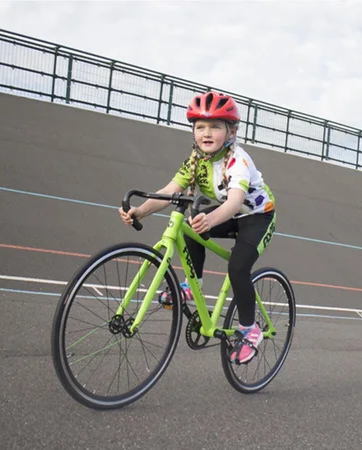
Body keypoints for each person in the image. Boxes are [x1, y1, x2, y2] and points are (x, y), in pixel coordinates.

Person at [118, 91, 276, 365]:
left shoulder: (238, 160)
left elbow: (236, 201)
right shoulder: (196, 161)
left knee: (238, 267)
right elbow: (169, 191)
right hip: (230, 212)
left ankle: (250, 330)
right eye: (200, 127)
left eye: (215, 126)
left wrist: (210, 220)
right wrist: (140, 210)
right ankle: (194, 285)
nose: (207, 132)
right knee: (191, 224)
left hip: (257, 216)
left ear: (231, 132)